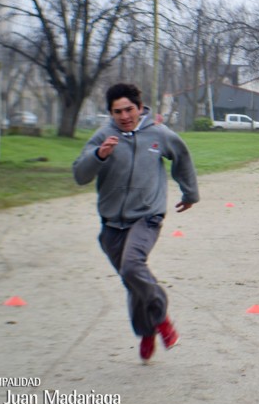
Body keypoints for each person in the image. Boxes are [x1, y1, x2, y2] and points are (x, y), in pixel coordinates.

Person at [73, 83, 200, 362]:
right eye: (117, 111)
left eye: (129, 109)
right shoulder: (103, 136)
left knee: (132, 267)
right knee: (132, 280)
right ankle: (146, 331)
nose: (124, 116)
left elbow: (182, 157)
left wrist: (190, 194)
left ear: (140, 108)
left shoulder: (158, 134)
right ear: (110, 113)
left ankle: (161, 320)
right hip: (111, 223)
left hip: (147, 216)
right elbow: (80, 175)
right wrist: (99, 155)